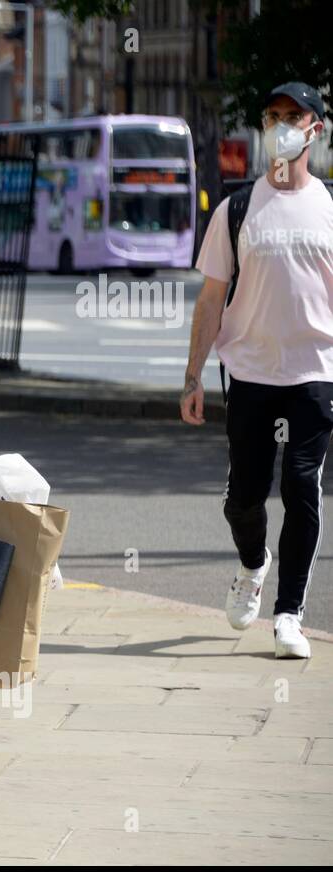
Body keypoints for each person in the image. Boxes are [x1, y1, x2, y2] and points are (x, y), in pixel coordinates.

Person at [182, 80, 333, 660]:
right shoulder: (237, 208)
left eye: (293, 116)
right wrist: (193, 376)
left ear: (316, 128)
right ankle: (252, 564)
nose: (281, 126)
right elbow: (210, 299)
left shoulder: (328, 207)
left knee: (301, 486)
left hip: (314, 373)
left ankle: (289, 614)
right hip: (249, 374)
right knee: (243, 498)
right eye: (273, 116)